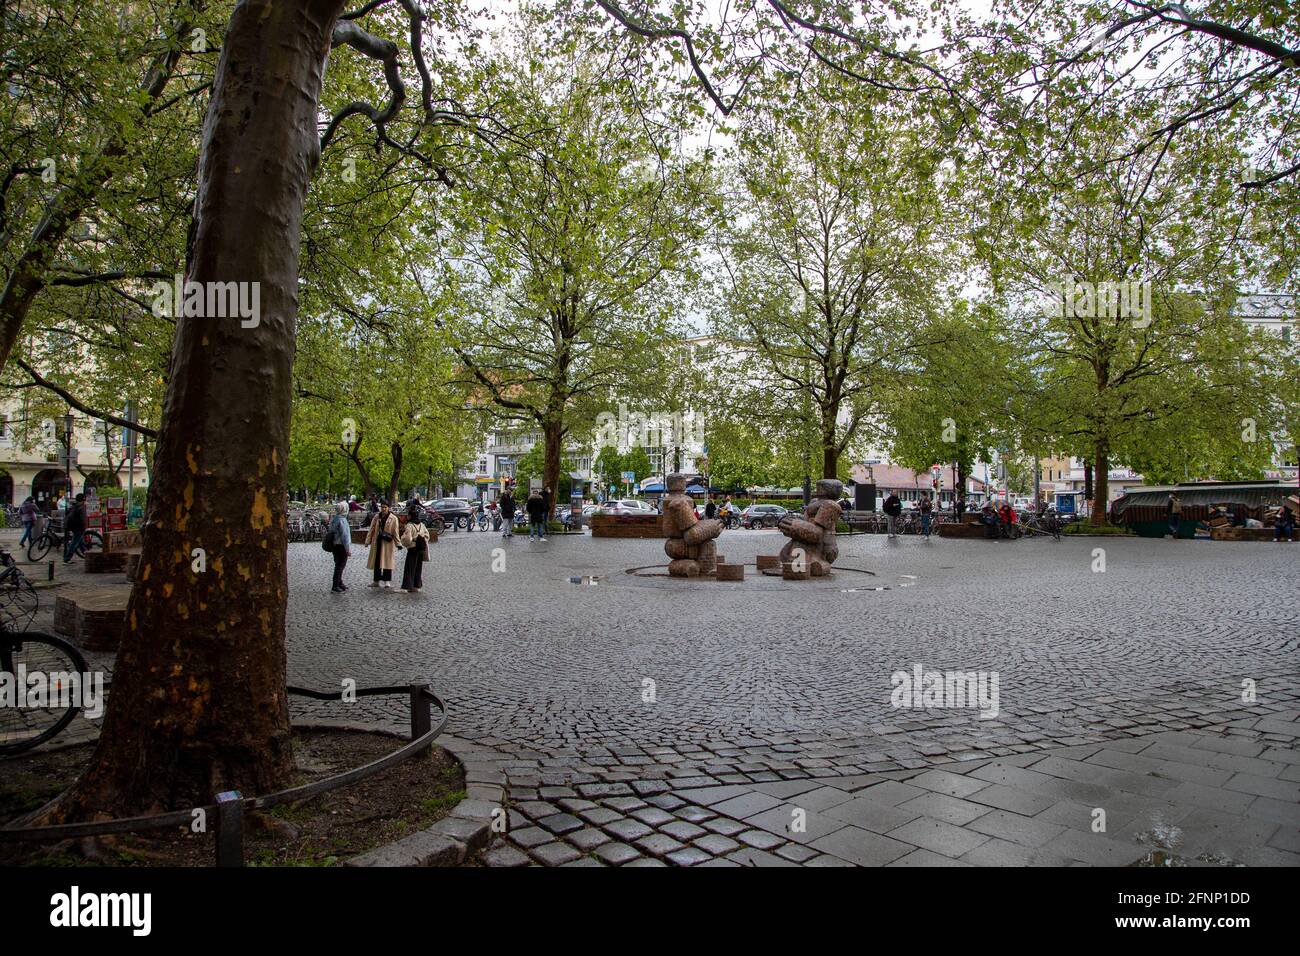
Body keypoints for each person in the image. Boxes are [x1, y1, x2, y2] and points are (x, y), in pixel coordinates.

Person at [365, 500, 400, 588]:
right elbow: (371, 529)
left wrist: (398, 543)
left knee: (387, 562)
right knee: (377, 562)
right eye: (382, 507)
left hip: (387, 543)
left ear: (388, 508)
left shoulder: (393, 518)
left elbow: (396, 532)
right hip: (377, 542)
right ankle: (376, 580)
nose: (383, 509)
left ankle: (387, 580)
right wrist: (367, 541)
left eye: (385, 507)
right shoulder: (377, 517)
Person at [399, 515, 430, 592]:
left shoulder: (409, 526)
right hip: (421, 549)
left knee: (409, 568)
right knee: (418, 567)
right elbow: (427, 535)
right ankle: (417, 585)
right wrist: (422, 539)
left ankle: (406, 587)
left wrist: (405, 542)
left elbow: (407, 538)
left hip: (413, 548)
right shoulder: (422, 525)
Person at [328, 501, 351, 593]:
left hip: (335, 545)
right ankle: (335, 585)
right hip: (341, 546)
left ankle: (340, 583)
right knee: (340, 566)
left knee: (338, 564)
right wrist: (347, 549)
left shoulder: (335, 518)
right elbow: (345, 536)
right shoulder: (342, 520)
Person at [62, 493, 87, 562]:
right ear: (83, 499)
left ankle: (86, 554)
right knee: (74, 542)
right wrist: (85, 525)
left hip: (72, 525)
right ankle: (67, 558)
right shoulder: (82, 507)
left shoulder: (75, 506)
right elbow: (82, 518)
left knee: (80, 541)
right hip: (78, 526)